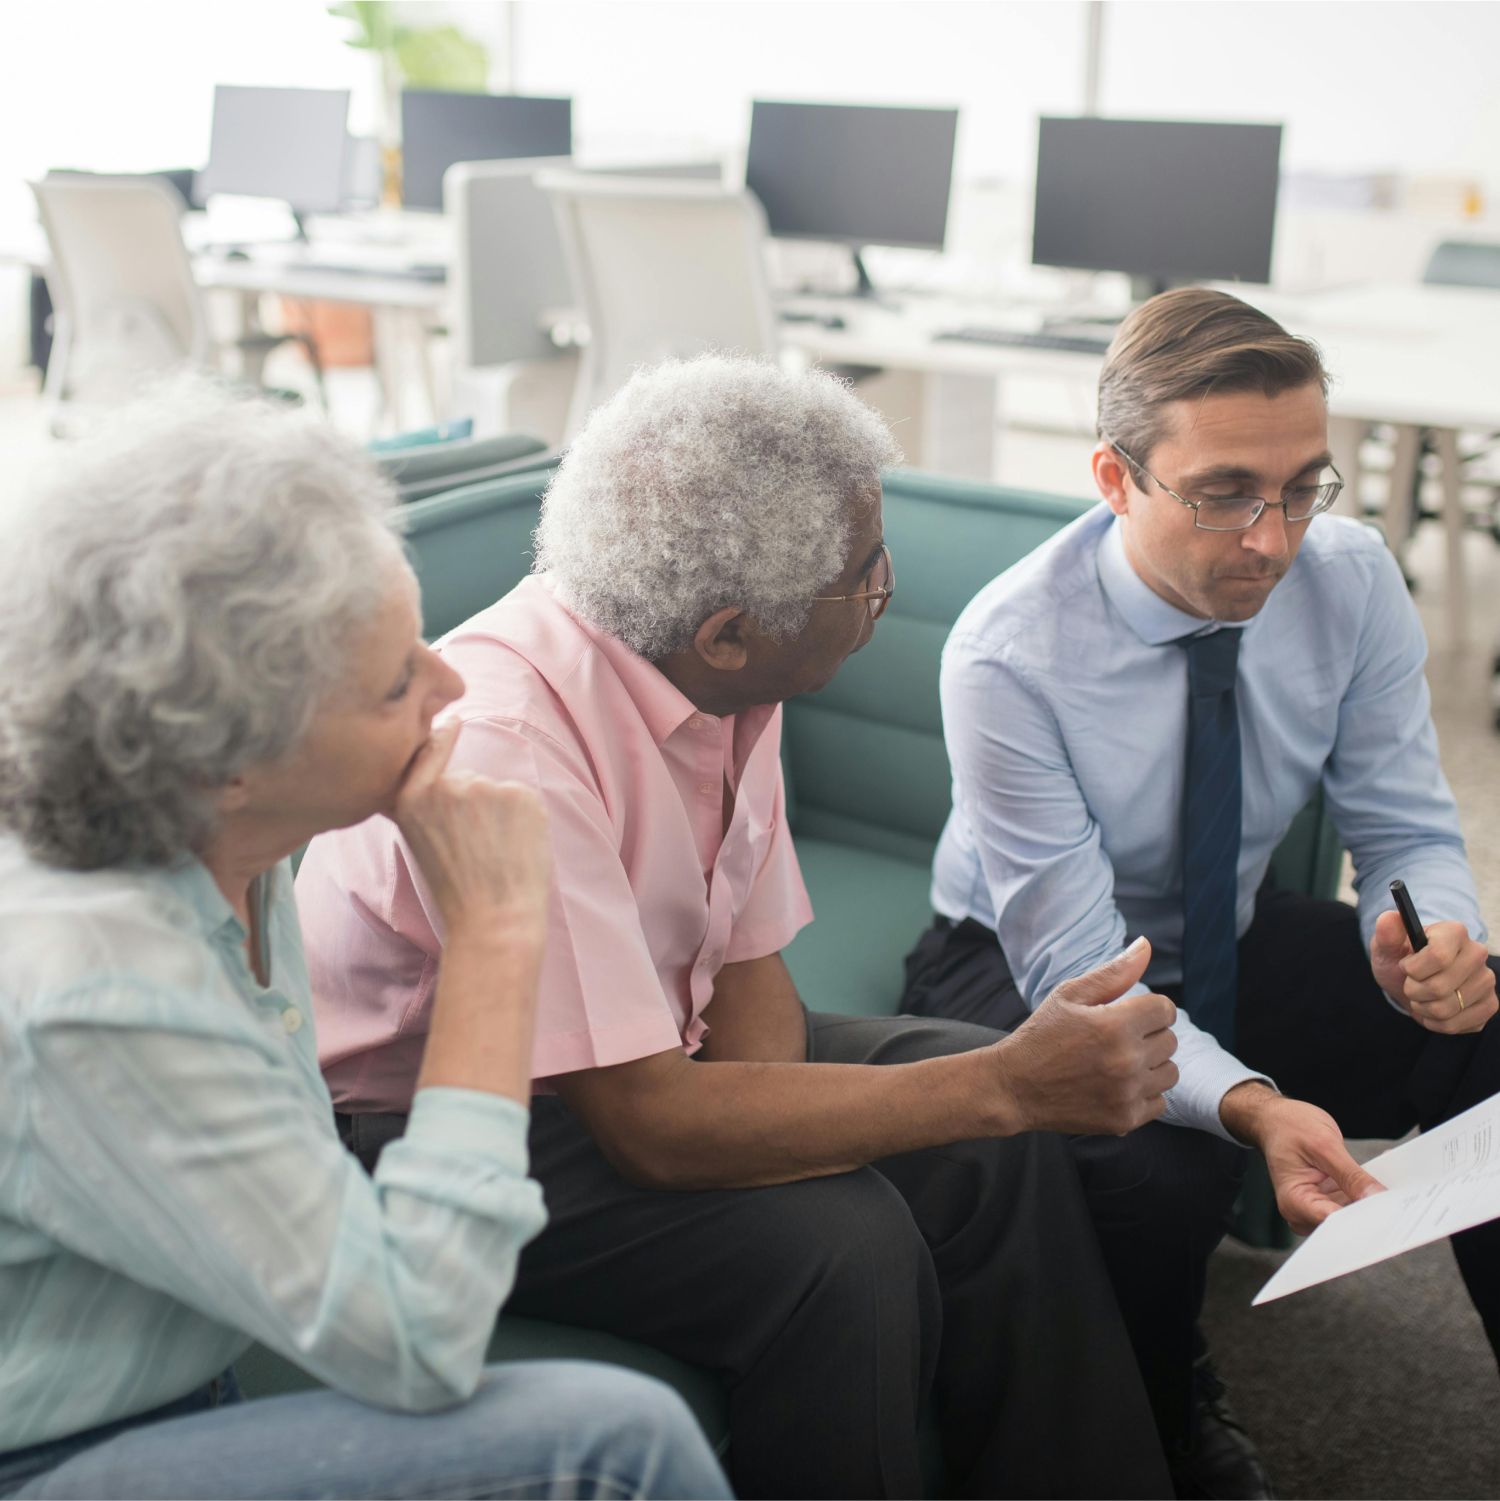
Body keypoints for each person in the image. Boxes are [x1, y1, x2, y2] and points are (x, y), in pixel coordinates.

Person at [298, 355, 1182, 1501]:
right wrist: (1009, 1082)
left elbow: (750, 982)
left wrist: (896, 1113)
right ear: (726, 631)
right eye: (866, 579)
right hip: (419, 1119)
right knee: (845, 1246)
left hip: (636, 1055)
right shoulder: (512, 745)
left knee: (986, 1134)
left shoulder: (723, 678)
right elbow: (654, 1128)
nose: (886, 591)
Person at [0, 384, 731, 1501]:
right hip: (47, 1456)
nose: (452, 684)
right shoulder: (100, 981)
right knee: (614, 1442)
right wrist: (494, 932)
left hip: (173, 1388)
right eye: (399, 682)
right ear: (224, 761)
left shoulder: (229, 839)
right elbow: (418, 1339)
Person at [903, 287, 1500, 1497]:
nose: (1273, 537)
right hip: (1023, 963)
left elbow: (1404, 824)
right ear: (1117, 480)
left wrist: (1431, 937)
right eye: (1225, 492)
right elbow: (1077, 966)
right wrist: (1254, 1105)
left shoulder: (1353, 578)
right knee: (1154, 1163)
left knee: (1492, 1028)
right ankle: (1163, 1407)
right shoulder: (1008, 652)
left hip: (1222, 931)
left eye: (1300, 486)